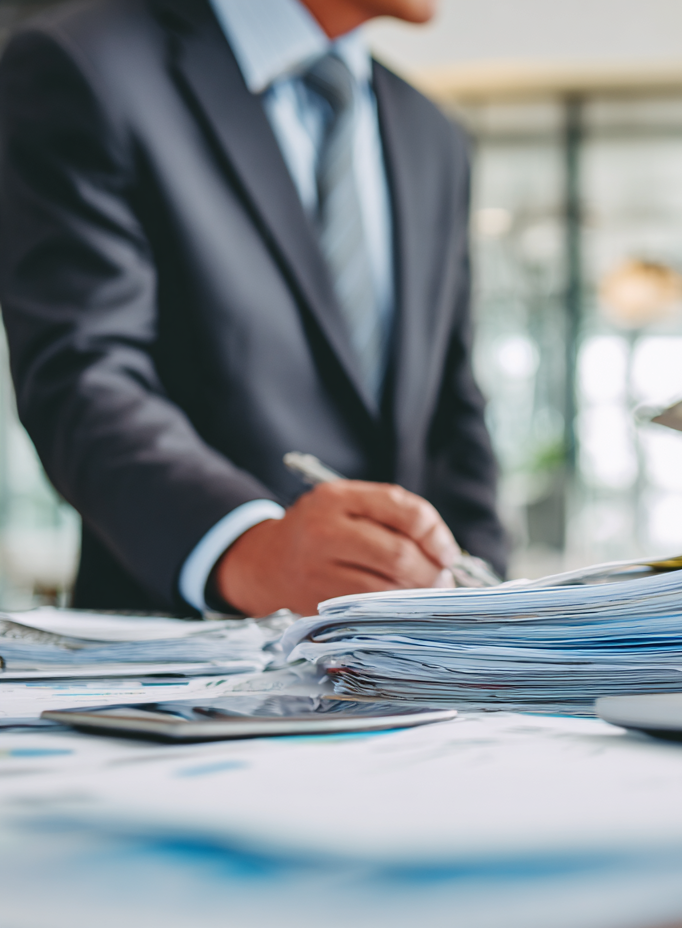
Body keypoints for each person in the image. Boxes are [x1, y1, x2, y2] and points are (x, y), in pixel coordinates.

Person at [0, 0, 507, 617]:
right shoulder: (85, 62)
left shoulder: (432, 134)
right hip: (181, 669)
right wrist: (248, 547)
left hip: (416, 672)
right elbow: (85, 373)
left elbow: (452, 409)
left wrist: (488, 615)